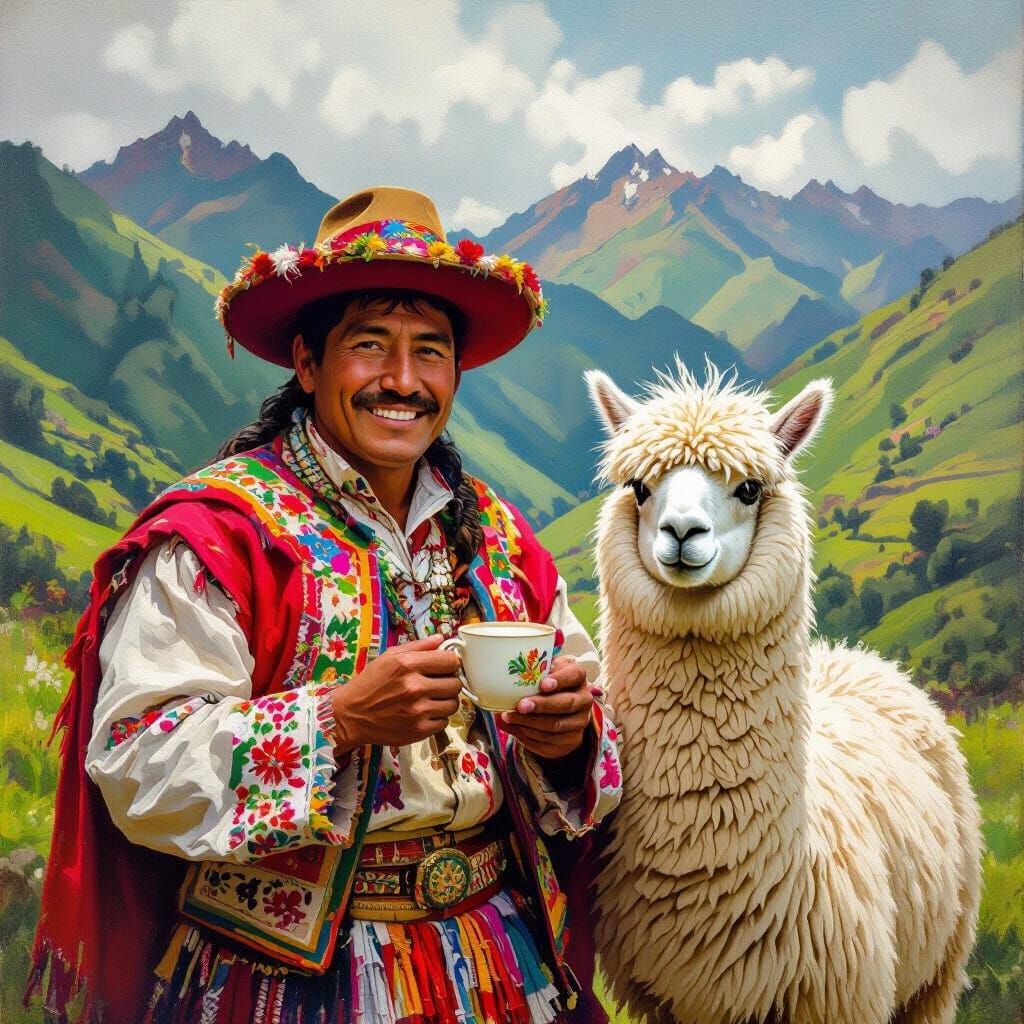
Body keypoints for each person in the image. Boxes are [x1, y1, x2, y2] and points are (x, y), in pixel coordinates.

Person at [26, 186, 623, 1024]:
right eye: (370, 345)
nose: (403, 381)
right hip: (284, 981)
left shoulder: (497, 535)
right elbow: (136, 760)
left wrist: (569, 738)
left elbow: (595, 720)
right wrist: (337, 718)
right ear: (307, 363)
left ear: (457, 371)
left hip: (500, 960)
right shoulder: (223, 536)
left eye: (430, 351)